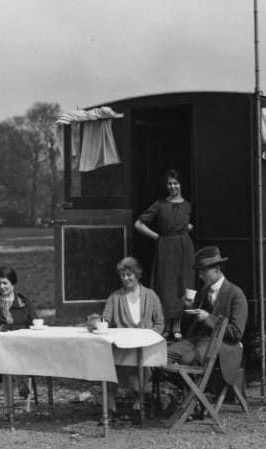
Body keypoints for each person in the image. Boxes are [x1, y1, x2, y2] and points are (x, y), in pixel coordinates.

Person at [167, 246, 247, 389]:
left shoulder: (235, 294)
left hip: (220, 344)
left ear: (217, 269)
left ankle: (192, 396)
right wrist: (189, 308)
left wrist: (208, 318)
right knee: (163, 356)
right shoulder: (204, 290)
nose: (200, 276)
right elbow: (192, 325)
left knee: (187, 360)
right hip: (197, 340)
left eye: (203, 271)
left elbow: (236, 333)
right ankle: (179, 393)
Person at [134, 168, 195, 341]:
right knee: (166, 285)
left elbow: (190, 225)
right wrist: (157, 237)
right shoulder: (159, 205)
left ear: (181, 185)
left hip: (184, 249)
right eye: (169, 183)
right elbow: (138, 224)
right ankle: (167, 326)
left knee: (182, 284)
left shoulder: (188, 205)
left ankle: (177, 326)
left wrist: (187, 229)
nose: (172, 186)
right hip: (165, 248)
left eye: (175, 183)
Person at [101, 256, 164, 422]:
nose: (125, 278)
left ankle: (139, 400)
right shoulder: (115, 297)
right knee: (109, 362)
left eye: (129, 274)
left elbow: (159, 323)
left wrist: (149, 338)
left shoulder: (150, 296)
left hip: (144, 347)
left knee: (145, 362)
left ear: (137, 275)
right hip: (121, 347)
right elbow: (105, 321)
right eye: (122, 275)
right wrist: (97, 323)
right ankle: (110, 406)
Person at [0, 266, 38, 397]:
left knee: (12, 348)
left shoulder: (23, 301)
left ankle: (13, 392)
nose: (1, 286)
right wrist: (2, 331)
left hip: (19, 344)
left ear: (13, 283)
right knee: (4, 347)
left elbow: (34, 322)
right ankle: (20, 381)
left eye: (5, 283)